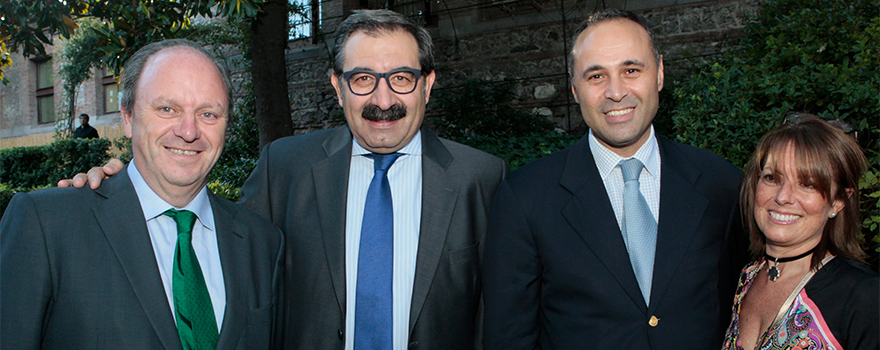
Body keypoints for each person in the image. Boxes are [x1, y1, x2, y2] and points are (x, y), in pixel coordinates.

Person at [60, 10, 507, 350]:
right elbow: (221, 253)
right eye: (364, 79)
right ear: (337, 86)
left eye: (403, 78)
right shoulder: (285, 168)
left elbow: (498, 316)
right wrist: (123, 186)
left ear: (427, 85)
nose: (383, 99)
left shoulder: (481, 179)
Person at [482, 9, 747, 349]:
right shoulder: (526, 197)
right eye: (596, 76)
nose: (616, 91)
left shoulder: (721, 184)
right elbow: (509, 337)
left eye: (631, 70)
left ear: (660, 73)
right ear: (574, 89)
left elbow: (739, 312)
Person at [1, 39, 284, 349]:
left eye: (208, 114)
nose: (188, 131)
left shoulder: (262, 243)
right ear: (127, 117)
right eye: (167, 108)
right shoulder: (47, 226)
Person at [722, 114, 877, 350]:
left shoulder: (863, 296)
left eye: (808, 184)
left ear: (838, 202)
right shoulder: (746, 277)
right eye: (772, 178)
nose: (782, 197)